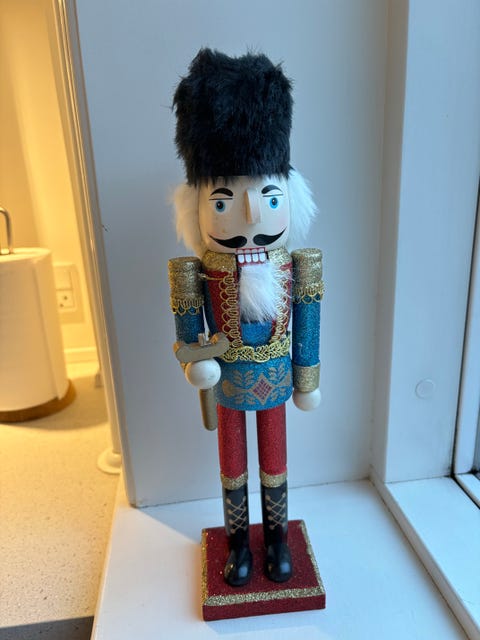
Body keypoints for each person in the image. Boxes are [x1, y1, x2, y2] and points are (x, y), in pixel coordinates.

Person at [168, 49, 323, 587]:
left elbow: (308, 318)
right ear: (196, 207)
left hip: (275, 377)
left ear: (290, 198)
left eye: (268, 198)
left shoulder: (298, 266)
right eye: (224, 202)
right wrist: (195, 363)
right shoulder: (196, 271)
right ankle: (238, 543)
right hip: (228, 377)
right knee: (232, 463)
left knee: (275, 459)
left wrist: (307, 378)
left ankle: (276, 538)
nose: (250, 216)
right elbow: (188, 325)